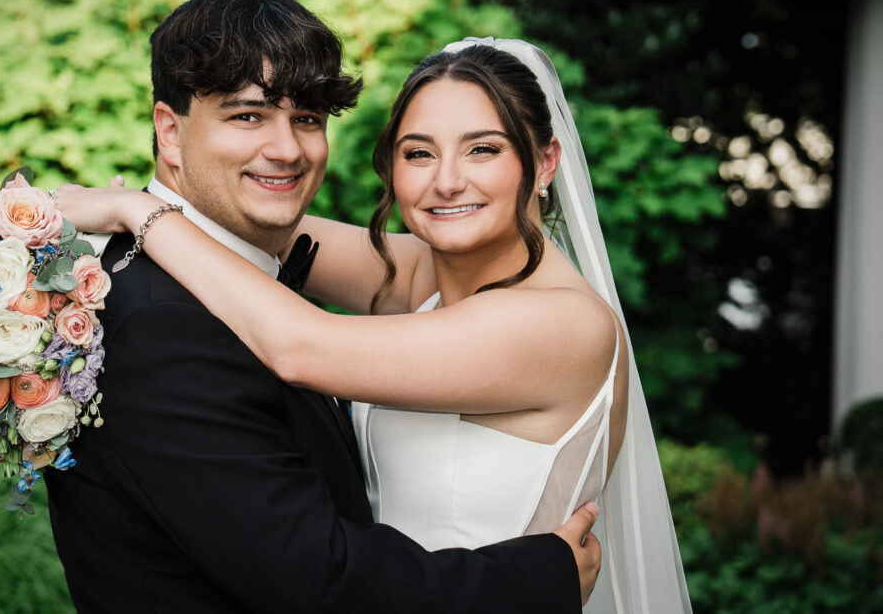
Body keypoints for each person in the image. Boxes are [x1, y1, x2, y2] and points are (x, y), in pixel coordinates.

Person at [59, 31, 692, 611]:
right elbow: (248, 212)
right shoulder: (425, 276)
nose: (446, 181)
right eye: (419, 153)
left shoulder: (560, 326)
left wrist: (128, 207)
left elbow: (300, 346)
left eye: (483, 149)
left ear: (544, 162)